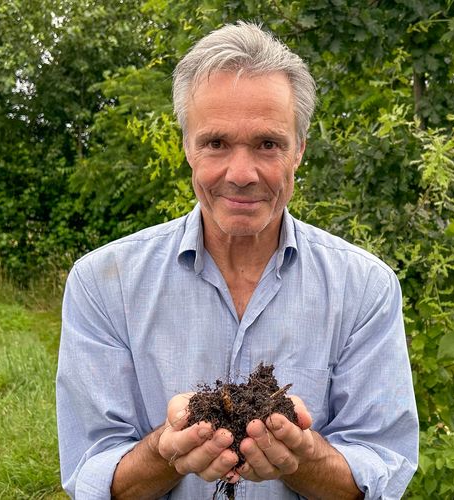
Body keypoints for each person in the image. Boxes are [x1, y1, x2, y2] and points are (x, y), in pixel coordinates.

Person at [56, 21, 419, 499]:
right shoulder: (104, 283)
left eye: (268, 144)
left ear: (299, 151)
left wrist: (304, 458)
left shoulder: (365, 287)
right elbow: (92, 475)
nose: (241, 173)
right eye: (216, 143)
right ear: (187, 147)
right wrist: (165, 453)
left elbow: (380, 471)